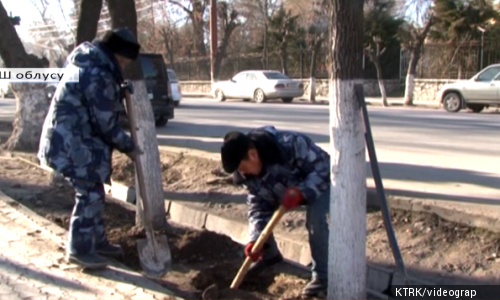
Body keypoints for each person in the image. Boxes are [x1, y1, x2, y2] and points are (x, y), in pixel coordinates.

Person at [38, 28, 142, 269]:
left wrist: (119, 94)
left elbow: (97, 103)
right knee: (90, 194)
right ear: (115, 54)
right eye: (124, 61)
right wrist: (130, 147)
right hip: (72, 143)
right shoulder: (96, 72)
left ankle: (97, 241)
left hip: (72, 138)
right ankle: (80, 250)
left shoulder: (87, 61)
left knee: (95, 191)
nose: (124, 66)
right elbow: (105, 123)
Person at [220, 125, 331, 298]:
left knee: (315, 221)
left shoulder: (289, 145)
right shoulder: (246, 176)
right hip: (284, 191)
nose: (241, 172)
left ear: (253, 155)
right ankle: (269, 257)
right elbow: (258, 207)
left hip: (322, 182)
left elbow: (324, 168)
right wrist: (256, 240)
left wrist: (302, 191)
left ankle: (323, 278)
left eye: (242, 167)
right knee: (260, 221)